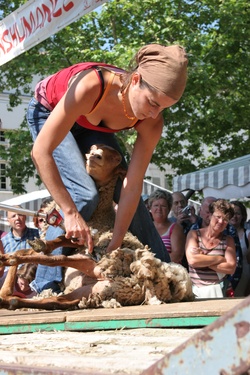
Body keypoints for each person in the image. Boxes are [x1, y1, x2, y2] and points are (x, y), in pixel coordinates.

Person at [26, 43, 187, 292]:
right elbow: (40, 152)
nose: (155, 115)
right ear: (135, 80)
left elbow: (131, 186)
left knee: (134, 205)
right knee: (84, 195)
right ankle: (45, 283)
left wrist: (117, 240)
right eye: (153, 103)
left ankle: (166, 277)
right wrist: (69, 213)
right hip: (49, 112)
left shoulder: (152, 121)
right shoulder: (91, 85)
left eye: (164, 108)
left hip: (90, 126)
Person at [186, 199, 236, 299]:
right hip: (195, 292)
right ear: (210, 215)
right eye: (218, 217)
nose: (221, 221)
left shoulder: (228, 240)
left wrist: (203, 258)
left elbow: (231, 268)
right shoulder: (194, 234)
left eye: (225, 219)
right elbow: (193, 260)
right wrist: (219, 259)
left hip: (220, 292)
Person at [0, 207, 39, 288]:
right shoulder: (3, 242)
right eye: (13, 216)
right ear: (8, 221)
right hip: (11, 287)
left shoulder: (39, 235)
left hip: (36, 284)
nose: (17, 218)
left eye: (20, 214)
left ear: (25, 216)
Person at [148, 189, 185, 264]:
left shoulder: (176, 228)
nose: (159, 209)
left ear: (169, 209)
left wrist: (153, 263)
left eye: (163, 206)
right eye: (156, 205)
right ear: (150, 208)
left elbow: (177, 255)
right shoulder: (146, 227)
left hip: (169, 272)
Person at [230, 201, 250, 297]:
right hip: (227, 276)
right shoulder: (222, 234)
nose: (234, 216)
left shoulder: (248, 234)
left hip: (244, 277)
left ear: (242, 216)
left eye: (238, 213)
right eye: (232, 213)